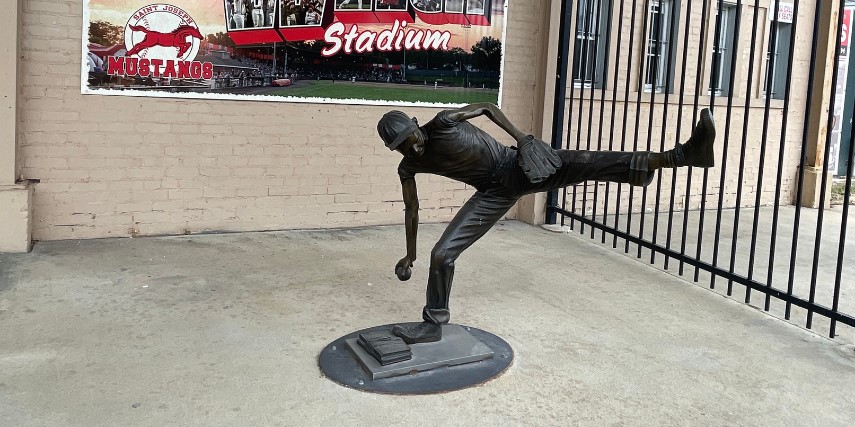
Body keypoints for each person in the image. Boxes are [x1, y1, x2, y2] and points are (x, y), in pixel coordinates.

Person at [376, 103, 716, 344]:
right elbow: (412, 210)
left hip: (518, 166)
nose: (413, 148)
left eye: (412, 138)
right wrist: (410, 255)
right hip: (492, 194)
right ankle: (434, 322)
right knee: (442, 255)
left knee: (588, 162)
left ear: (416, 125)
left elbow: (487, 107)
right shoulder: (409, 166)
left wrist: (523, 139)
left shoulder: (445, 121)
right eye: (402, 147)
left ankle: (681, 156)